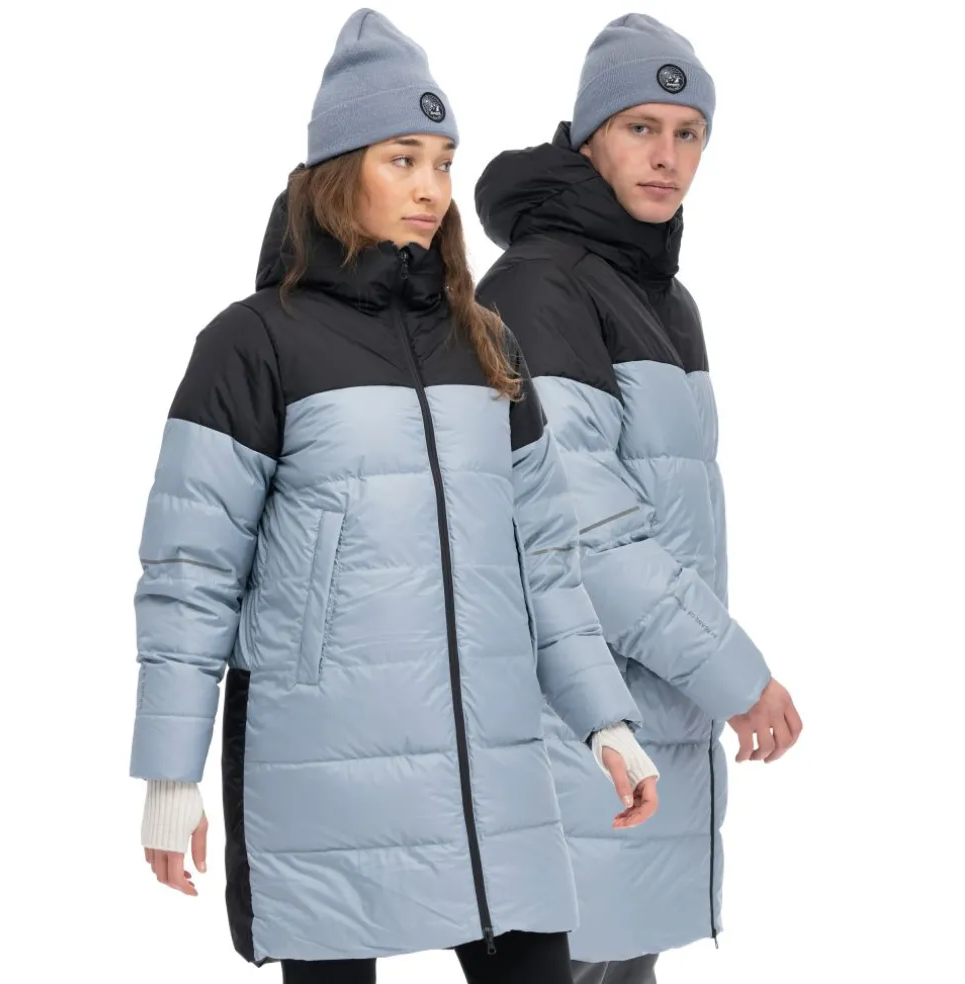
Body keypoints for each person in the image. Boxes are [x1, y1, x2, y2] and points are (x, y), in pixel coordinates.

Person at [129, 9, 662, 983]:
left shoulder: (487, 345)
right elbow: (190, 572)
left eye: (444, 163)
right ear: (340, 171)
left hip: (494, 781)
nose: (430, 189)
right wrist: (171, 772)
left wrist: (607, 721)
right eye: (403, 159)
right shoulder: (253, 344)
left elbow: (547, 561)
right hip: (325, 777)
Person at [475, 13, 803, 984]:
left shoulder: (661, 296)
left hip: (649, 744)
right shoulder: (541, 288)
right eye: (640, 128)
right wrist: (736, 676)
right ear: (589, 138)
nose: (667, 157)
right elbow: (586, 538)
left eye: (688, 133)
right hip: (570, 739)